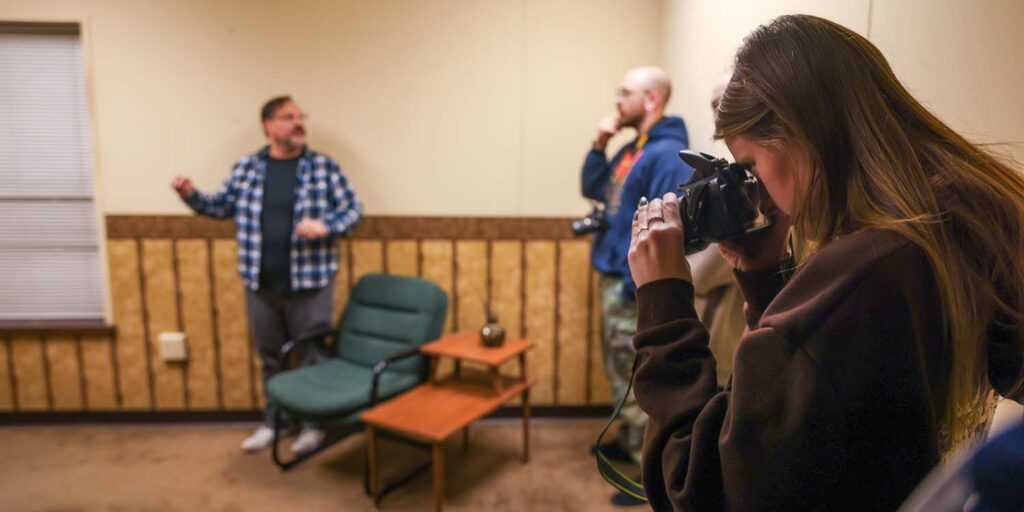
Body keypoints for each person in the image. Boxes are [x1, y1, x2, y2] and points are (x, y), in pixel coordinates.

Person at [627, 15, 1024, 511]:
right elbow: (832, 419)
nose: (764, 198)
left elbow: (700, 486)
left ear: (802, 130)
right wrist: (765, 277)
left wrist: (662, 302)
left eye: (750, 166)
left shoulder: (860, 277)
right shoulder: (977, 215)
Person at [171, 96, 363, 455]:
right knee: (271, 357)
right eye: (288, 117)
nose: (297, 123)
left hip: (312, 283)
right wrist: (191, 195)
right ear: (268, 126)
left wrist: (326, 225)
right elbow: (219, 207)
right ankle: (275, 423)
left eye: (300, 116)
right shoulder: (247, 168)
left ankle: (314, 426)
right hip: (261, 285)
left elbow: (354, 210)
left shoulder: (324, 167)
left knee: (313, 356)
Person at [581, 65, 694, 506]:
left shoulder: (667, 154)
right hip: (613, 277)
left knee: (640, 378)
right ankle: (629, 443)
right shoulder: (635, 150)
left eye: (624, 93)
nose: (617, 100)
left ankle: (650, 476)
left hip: (633, 287)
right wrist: (600, 144)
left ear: (652, 99)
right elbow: (593, 187)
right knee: (620, 372)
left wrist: (639, 290)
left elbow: (663, 227)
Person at [688, 70, 747, 385]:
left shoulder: (746, 185)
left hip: (733, 341)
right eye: (714, 105)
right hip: (716, 336)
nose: (719, 114)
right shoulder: (727, 174)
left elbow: (699, 274)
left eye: (726, 102)